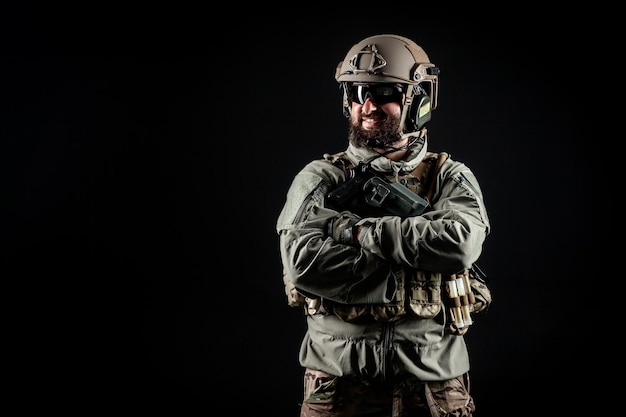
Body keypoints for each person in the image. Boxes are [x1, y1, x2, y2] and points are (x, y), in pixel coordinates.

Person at [276, 34, 491, 417]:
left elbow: (459, 245)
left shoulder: (449, 178)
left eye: (385, 92)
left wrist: (355, 232)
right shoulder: (321, 178)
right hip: (338, 384)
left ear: (418, 100)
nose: (368, 105)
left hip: (433, 386)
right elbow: (303, 263)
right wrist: (419, 259)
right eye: (358, 93)